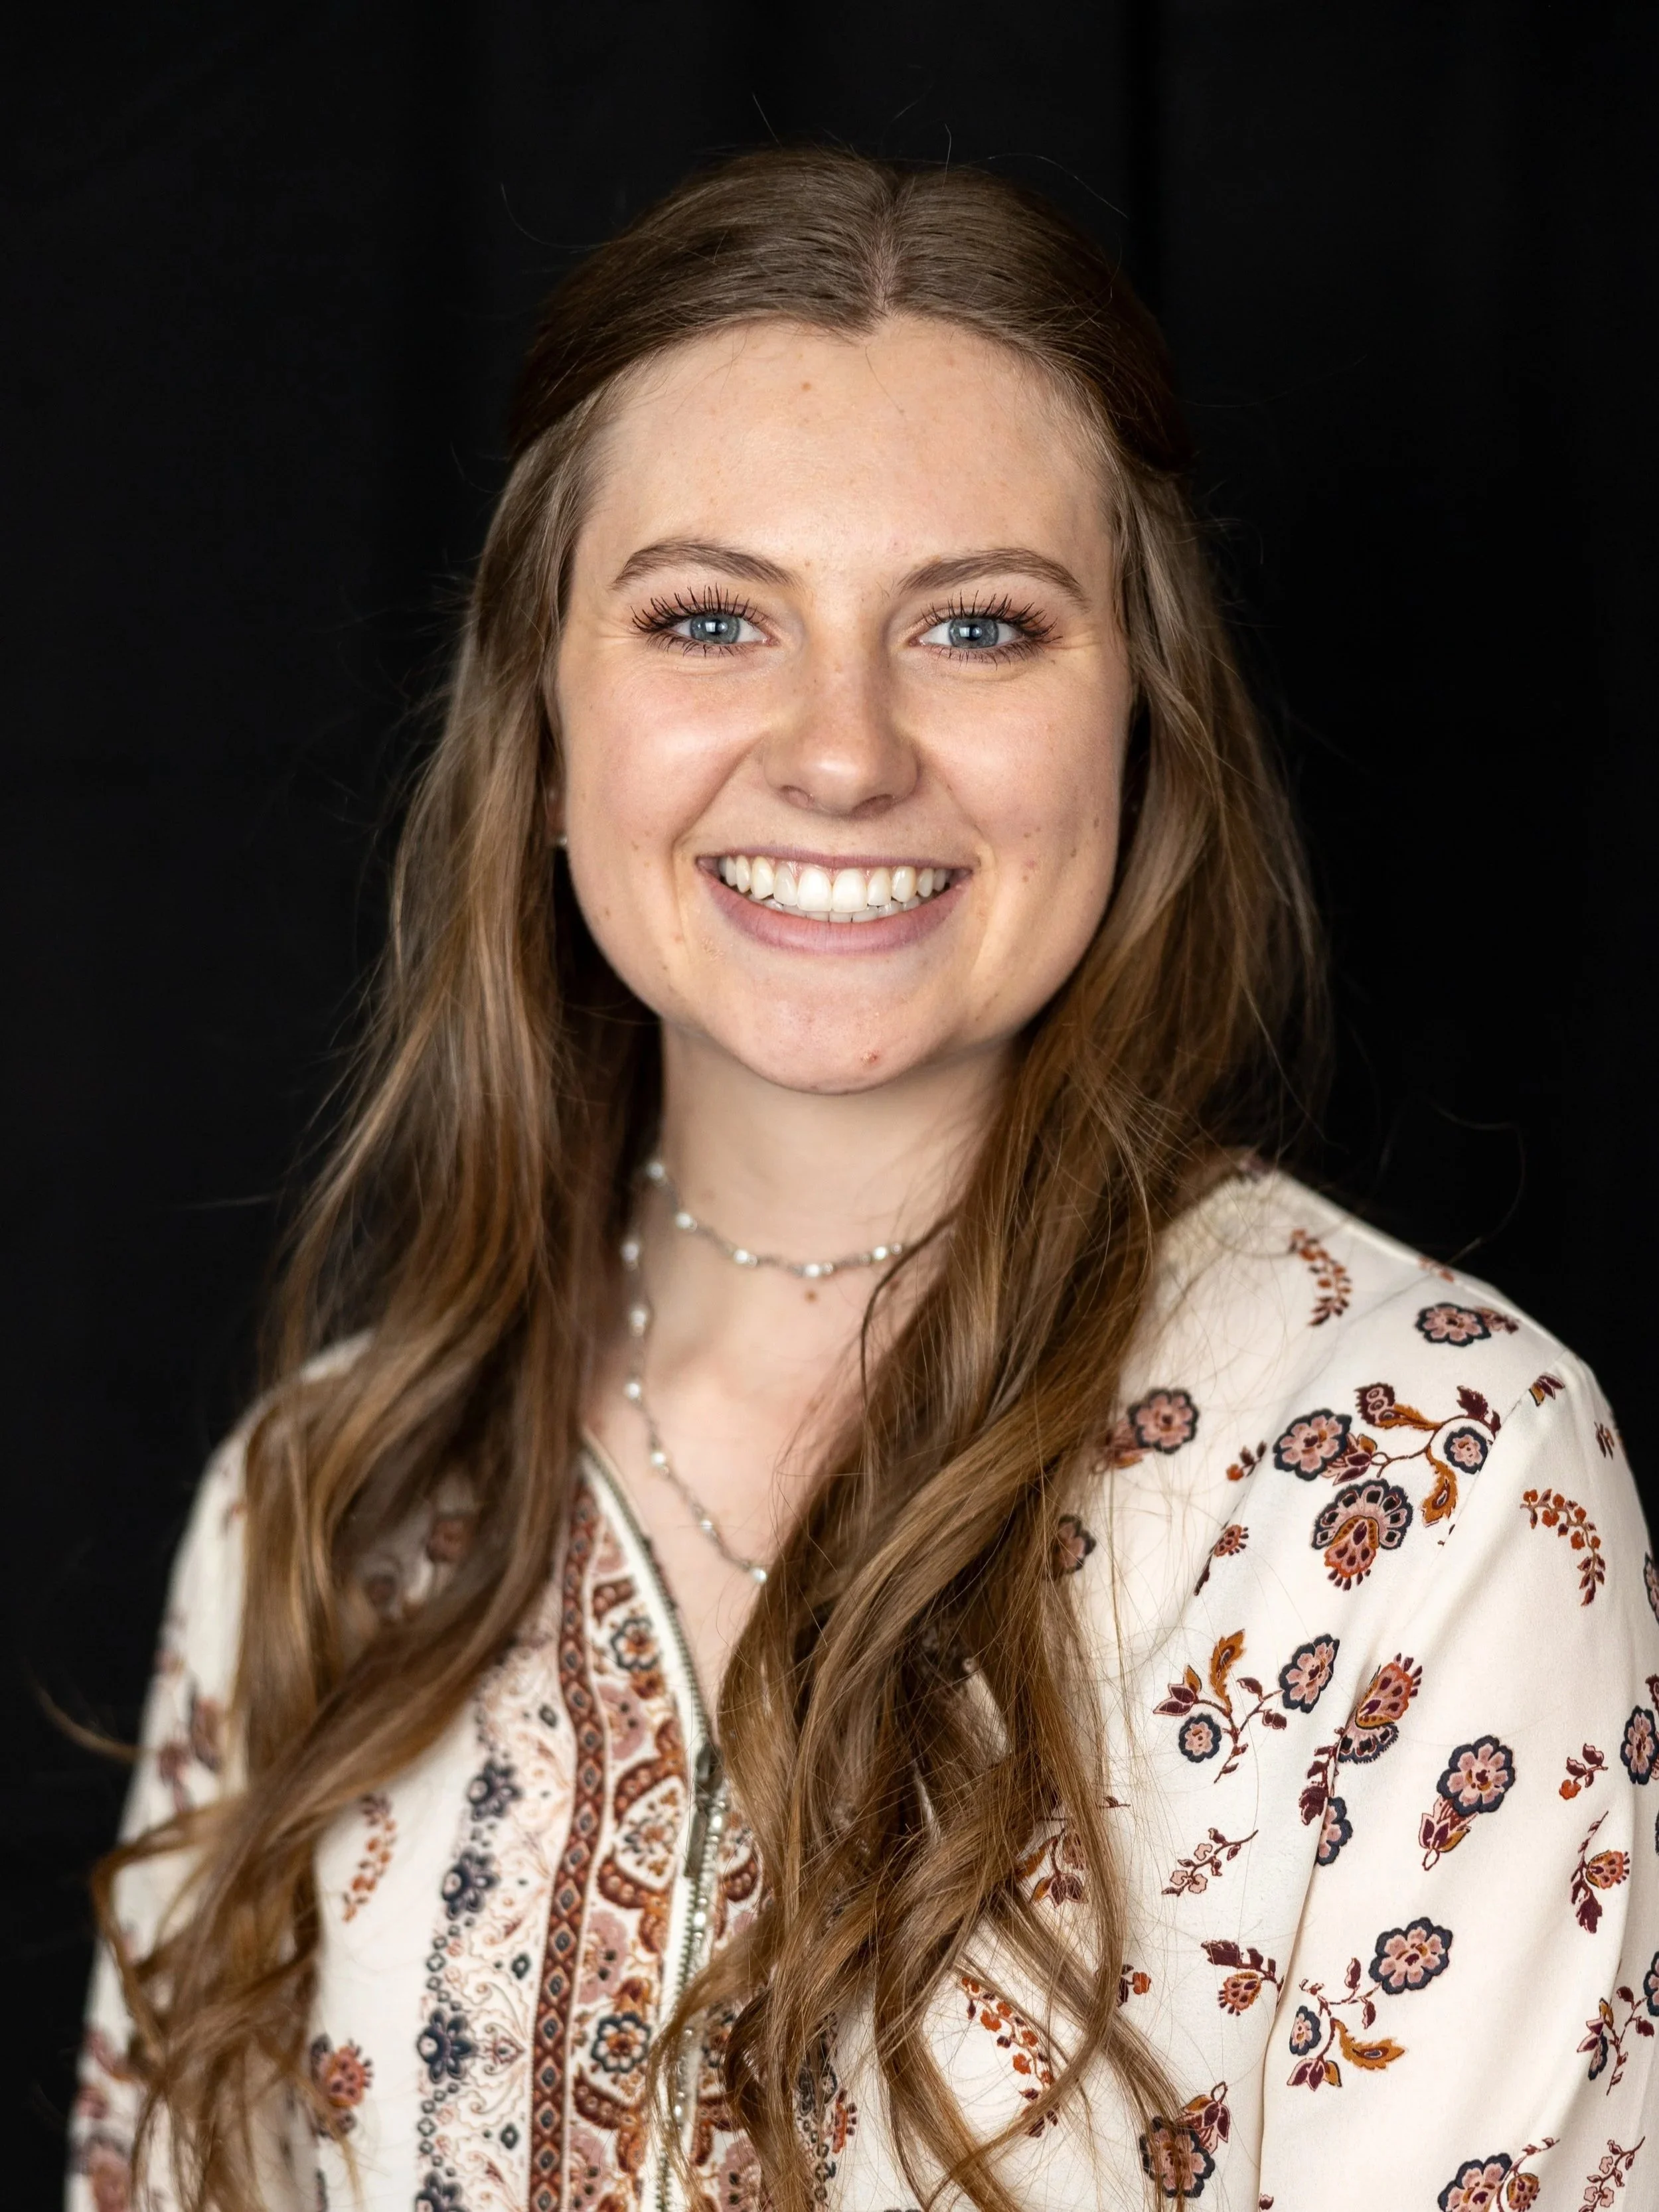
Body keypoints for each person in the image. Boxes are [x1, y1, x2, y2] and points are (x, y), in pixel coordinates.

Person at [69, 147, 1656, 2212]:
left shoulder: (1431, 1490)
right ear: (547, 728)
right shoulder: (329, 1513)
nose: (841, 753)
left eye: (980, 627)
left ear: (1142, 727)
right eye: (711, 618)